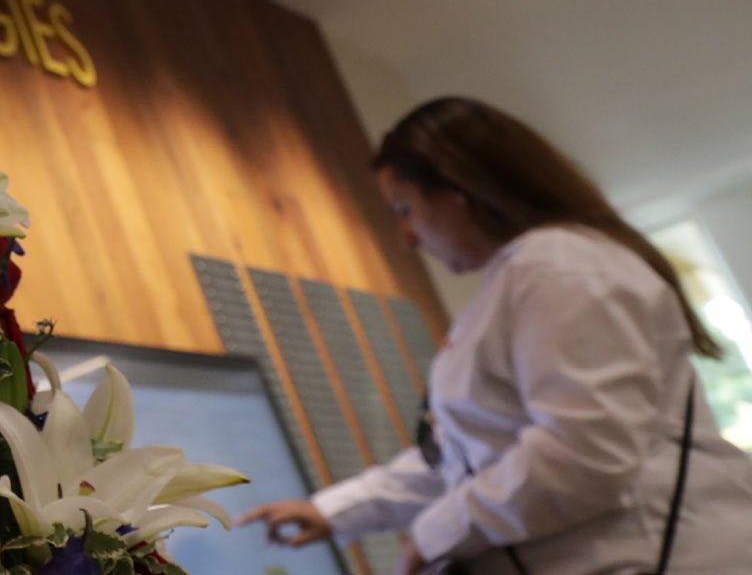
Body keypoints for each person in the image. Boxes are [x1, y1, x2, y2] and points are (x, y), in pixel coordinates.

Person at [242, 97, 752, 574]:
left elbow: (582, 452)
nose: (407, 237)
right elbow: (465, 460)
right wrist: (330, 511)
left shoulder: (558, 266)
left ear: (459, 190)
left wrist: (434, 533)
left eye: (405, 210)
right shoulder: (521, 280)